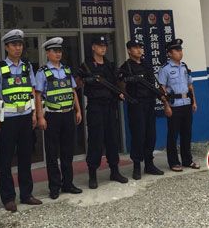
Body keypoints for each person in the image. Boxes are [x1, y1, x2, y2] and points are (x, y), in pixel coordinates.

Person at [0, 29, 42, 212]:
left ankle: (27, 194)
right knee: (5, 160)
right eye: (14, 45)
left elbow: (32, 90)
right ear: (6, 47)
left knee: (25, 157)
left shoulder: (27, 67)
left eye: (20, 45)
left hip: (26, 118)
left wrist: (34, 113)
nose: (18, 48)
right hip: (8, 120)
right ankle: (8, 198)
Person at [75, 36, 129, 189]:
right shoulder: (86, 65)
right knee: (95, 141)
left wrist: (121, 93)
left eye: (105, 45)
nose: (103, 48)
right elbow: (77, 84)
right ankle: (92, 174)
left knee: (112, 139)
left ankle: (114, 171)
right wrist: (85, 80)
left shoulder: (110, 66)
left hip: (110, 107)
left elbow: (117, 83)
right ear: (93, 47)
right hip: (95, 107)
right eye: (100, 45)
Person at [34, 37, 83, 200]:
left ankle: (68, 183)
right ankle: (54, 187)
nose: (58, 54)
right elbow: (38, 95)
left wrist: (78, 110)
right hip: (52, 116)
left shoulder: (67, 70)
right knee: (52, 153)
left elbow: (73, 91)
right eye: (55, 51)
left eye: (60, 51)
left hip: (68, 114)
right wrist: (40, 117)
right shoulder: (42, 72)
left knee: (68, 152)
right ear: (47, 53)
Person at [117, 40, 170, 180]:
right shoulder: (126, 67)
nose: (139, 50)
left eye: (140, 47)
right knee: (138, 136)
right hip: (136, 105)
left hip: (149, 104)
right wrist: (126, 85)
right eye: (135, 48)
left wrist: (162, 97)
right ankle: (136, 166)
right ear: (129, 50)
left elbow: (153, 84)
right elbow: (121, 86)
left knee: (150, 135)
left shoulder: (147, 65)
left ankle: (149, 164)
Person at [158, 38, 200, 172]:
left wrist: (194, 101)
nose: (180, 52)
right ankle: (174, 162)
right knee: (173, 135)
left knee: (186, 134)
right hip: (174, 105)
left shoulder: (184, 67)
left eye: (180, 49)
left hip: (186, 104)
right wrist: (166, 106)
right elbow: (162, 89)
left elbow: (190, 86)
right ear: (169, 53)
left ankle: (187, 160)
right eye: (176, 50)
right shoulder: (165, 69)